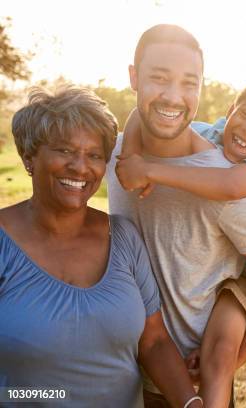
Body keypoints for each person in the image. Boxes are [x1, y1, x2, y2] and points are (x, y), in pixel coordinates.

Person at [106, 24, 246, 408]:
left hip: (186, 384)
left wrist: (236, 358)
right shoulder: (116, 153)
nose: (173, 95)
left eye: (188, 83)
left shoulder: (226, 180)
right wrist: (133, 157)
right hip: (115, 375)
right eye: (158, 78)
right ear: (133, 77)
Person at [0, 86, 201, 408]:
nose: (81, 167)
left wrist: (190, 403)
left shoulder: (123, 237)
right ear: (29, 156)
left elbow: (154, 341)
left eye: (94, 155)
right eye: (64, 150)